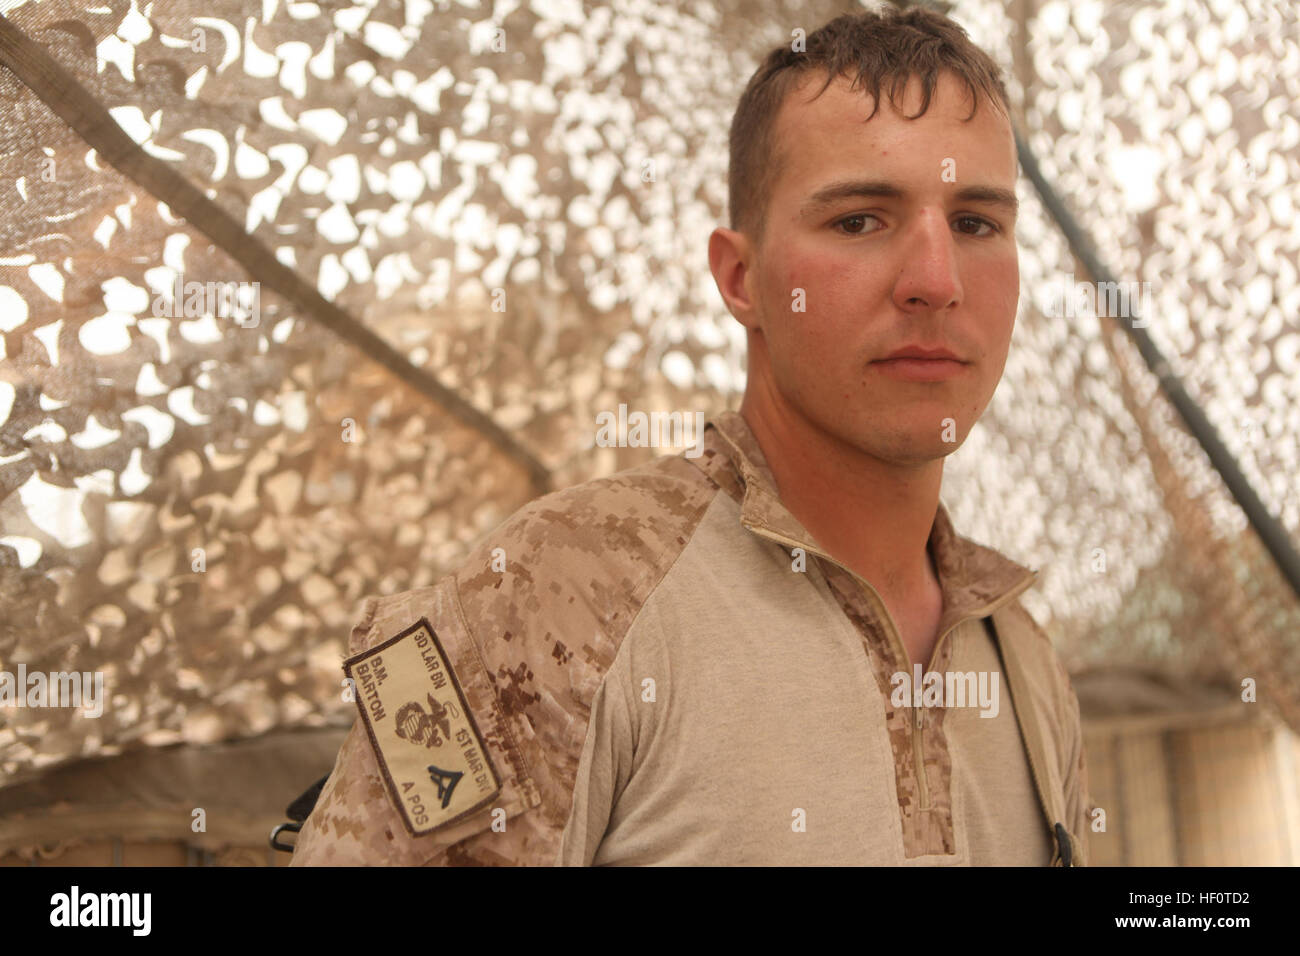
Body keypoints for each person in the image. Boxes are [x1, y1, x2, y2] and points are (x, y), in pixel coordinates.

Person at [291, 6, 1091, 866]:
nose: (936, 281)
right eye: (860, 219)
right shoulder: (554, 596)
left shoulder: (1026, 667)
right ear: (742, 279)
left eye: (977, 223)